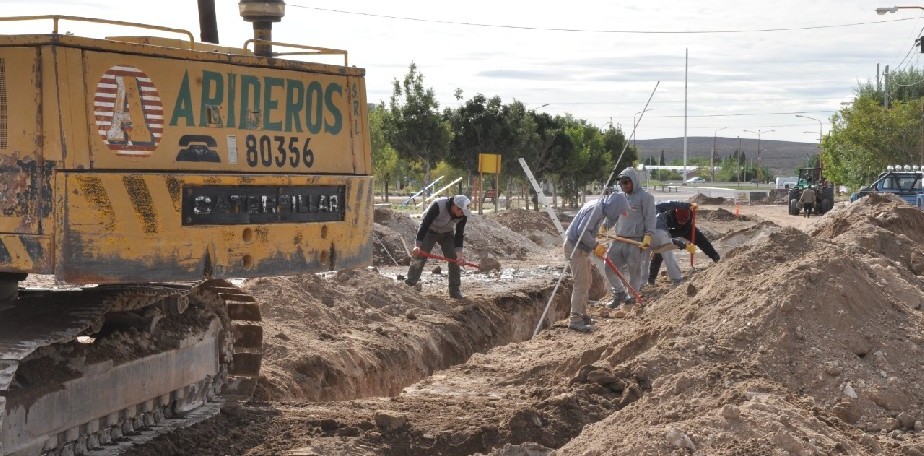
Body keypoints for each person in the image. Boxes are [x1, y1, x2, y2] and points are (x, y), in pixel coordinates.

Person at [563, 192, 629, 332]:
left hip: (580, 247)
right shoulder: (597, 209)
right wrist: (595, 245)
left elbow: (587, 229)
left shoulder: (598, 206)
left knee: (587, 281)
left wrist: (594, 239)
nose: (617, 216)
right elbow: (582, 232)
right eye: (618, 212)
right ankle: (575, 320)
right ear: (615, 207)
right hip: (575, 247)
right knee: (581, 283)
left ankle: (582, 314)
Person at [605, 167, 656, 308]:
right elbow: (614, 215)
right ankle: (619, 293)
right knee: (609, 266)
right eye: (621, 183)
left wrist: (649, 235)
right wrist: (605, 225)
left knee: (634, 271)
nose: (624, 185)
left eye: (626, 182)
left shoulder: (645, 197)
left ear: (633, 181)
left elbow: (651, 218)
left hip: (635, 241)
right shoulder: (621, 198)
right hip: (619, 239)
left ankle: (632, 298)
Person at [404, 195, 472, 299]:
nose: (463, 214)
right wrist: (417, 246)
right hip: (429, 231)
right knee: (420, 255)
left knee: (454, 259)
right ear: (455, 206)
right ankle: (409, 285)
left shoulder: (463, 215)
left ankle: (455, 290)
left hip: (447, 232)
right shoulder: (438, 205)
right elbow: (424, 225)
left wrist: (459, 256)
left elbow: (459, 234)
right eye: (461, 211)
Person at [647, 202, 721, 285]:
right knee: (662, 249)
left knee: (701, 239)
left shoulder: (690, 215)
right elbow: (667, 241)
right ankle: (651, 277)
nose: (683, 222)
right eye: (681, 220)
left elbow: (697, 236)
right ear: (675, 215)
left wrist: (685, 222)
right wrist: (684, 246)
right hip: (668, 230)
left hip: (684, 230)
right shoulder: (664, 217)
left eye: (685, 220)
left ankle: (715, 257)